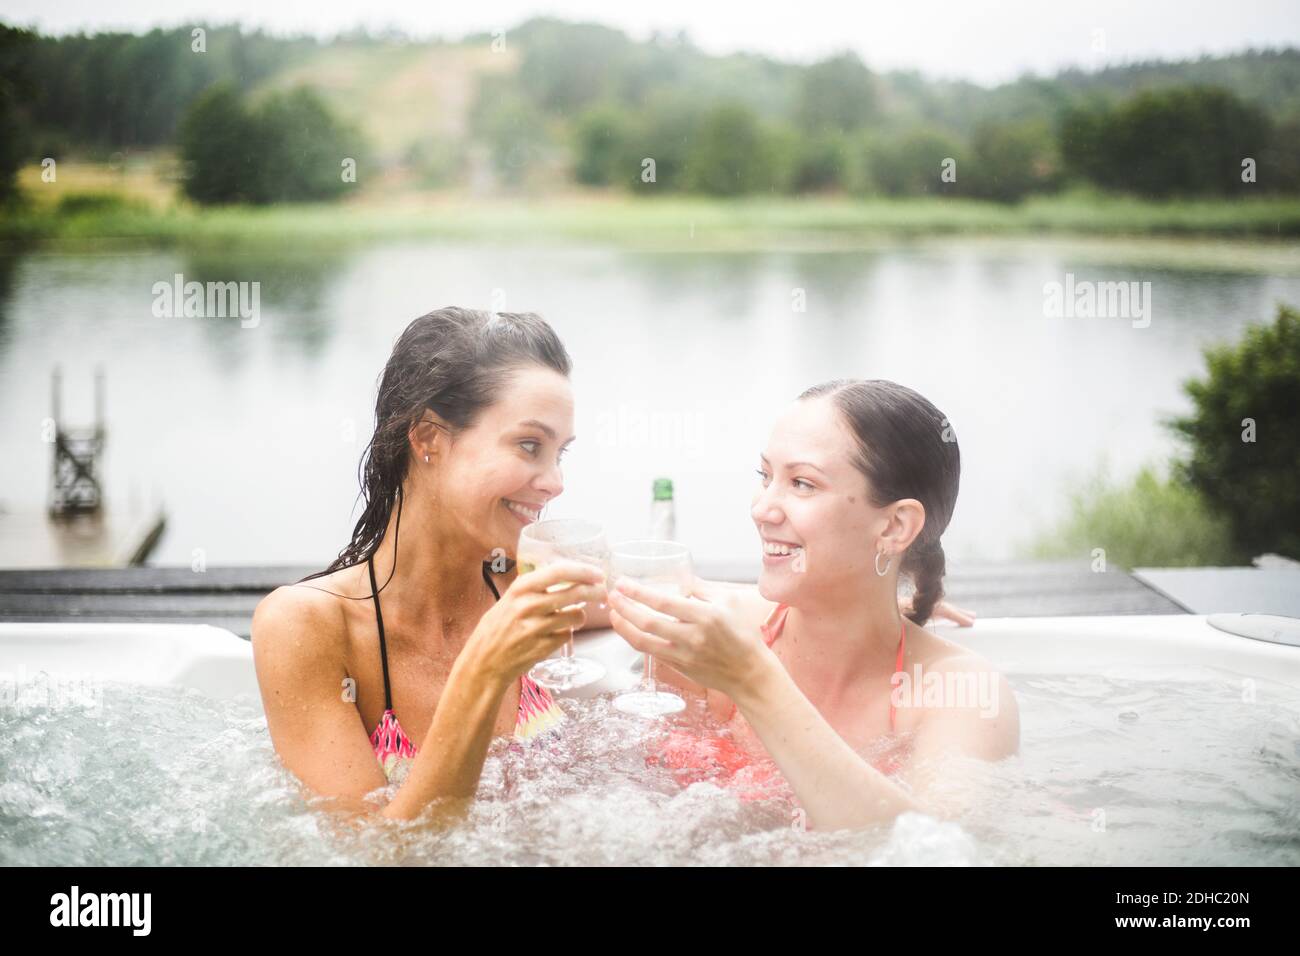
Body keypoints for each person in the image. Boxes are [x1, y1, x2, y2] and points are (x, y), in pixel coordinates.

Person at [607, 379, 1019, 831]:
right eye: (765, 477)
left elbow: (940, 853)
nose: (762, 509)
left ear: (896, 526)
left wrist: (752, 679)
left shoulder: (959, 692)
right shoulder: (713, 632)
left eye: (802, 483)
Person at [251, 307, 603, 822]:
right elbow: (380, 855)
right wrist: (484, 671)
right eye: (530, 445)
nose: (555, 482)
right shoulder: (307, 629)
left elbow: (669, 597)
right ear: (429, 439)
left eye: (559, 454)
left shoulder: (521, 579)